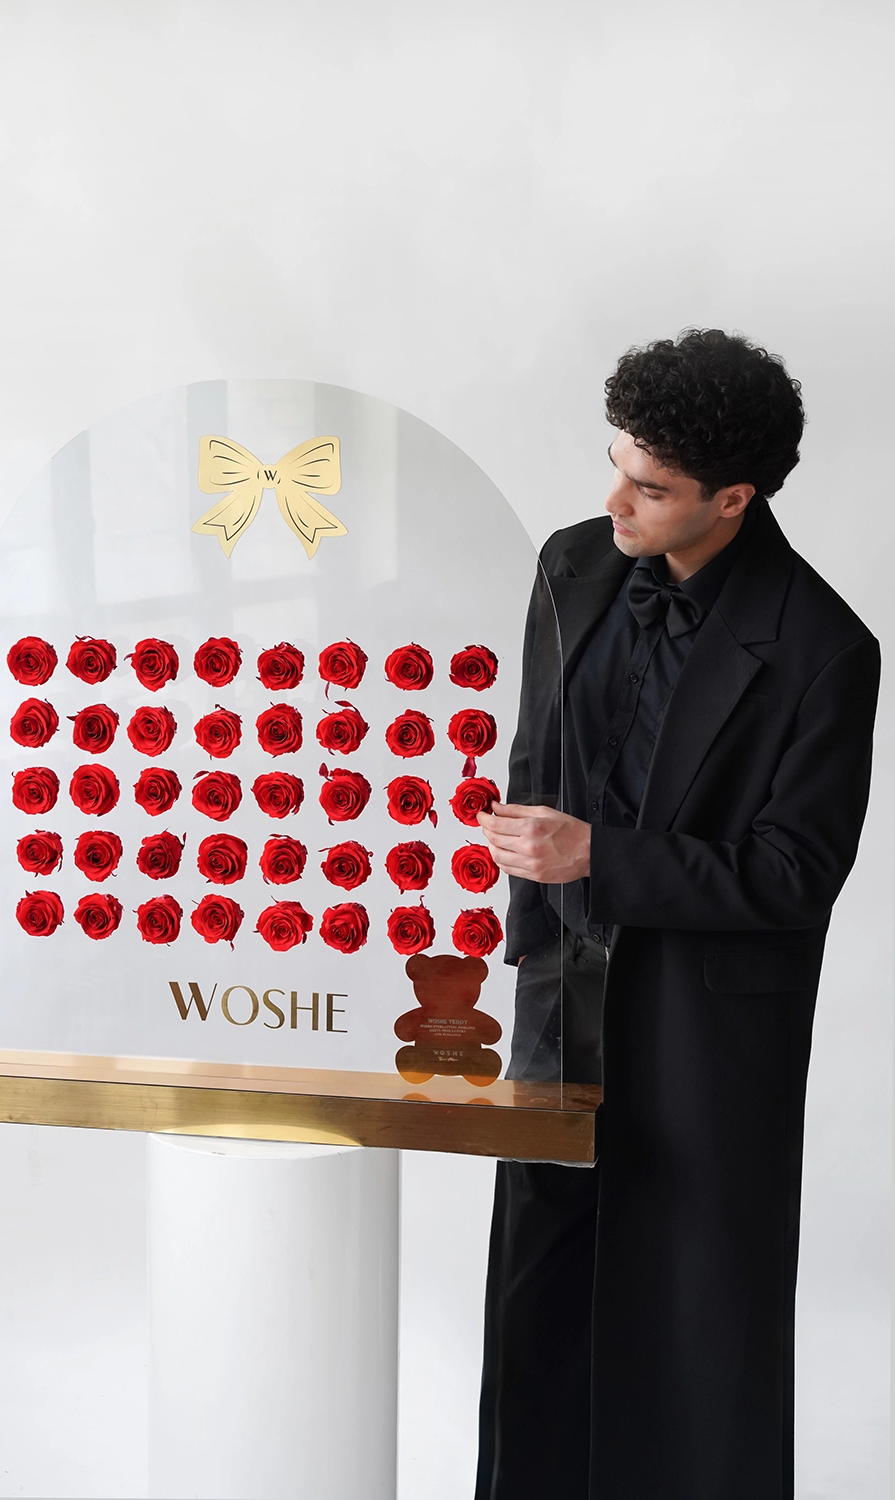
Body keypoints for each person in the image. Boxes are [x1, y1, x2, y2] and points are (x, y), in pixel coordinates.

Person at [473, 329, 881, 1500]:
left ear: (732, 498)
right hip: (556, 1005)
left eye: (648, 488)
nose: (614, 501)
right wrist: (519, 935)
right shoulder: (567, 564)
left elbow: (793, 874)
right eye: (615, 466)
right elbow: (534, 759)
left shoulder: (824, 648)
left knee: (696, 1326)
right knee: (534, 1300)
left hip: (708, 1034)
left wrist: (597, 856)